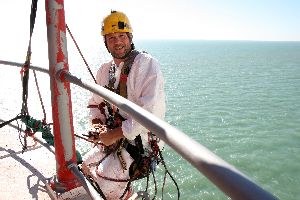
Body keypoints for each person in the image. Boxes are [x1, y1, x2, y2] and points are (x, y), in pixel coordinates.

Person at [81, 10, 166, 200]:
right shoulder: (105, 70)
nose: (117, 42)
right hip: (113, 136)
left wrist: (113, 135)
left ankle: (122, 195)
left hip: (140, 142)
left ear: (130, 37)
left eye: (121, 36)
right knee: (84, 167)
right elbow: (95, 104)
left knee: (104, 182)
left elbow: (149, 115)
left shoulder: (147, 65)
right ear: (105, 42)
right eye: (111, 38)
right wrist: (96, 124)